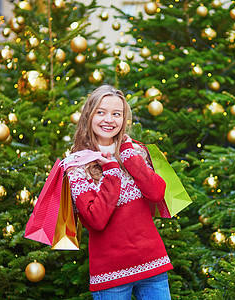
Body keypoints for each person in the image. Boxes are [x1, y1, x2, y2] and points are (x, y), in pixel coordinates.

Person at [66, 84, 173, 299]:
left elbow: (157, 194)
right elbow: (95, 220)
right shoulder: (76, 165)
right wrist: (112, 172)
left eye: (116, 114)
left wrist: (130, 158)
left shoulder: (137, 151)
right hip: (110, 274)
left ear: (123, 119)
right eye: (101, 112)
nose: (109, 119)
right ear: (89, 115)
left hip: (153, 264)